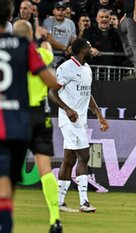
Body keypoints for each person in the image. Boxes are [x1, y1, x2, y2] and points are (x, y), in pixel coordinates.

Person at [0, 1, 61, 232]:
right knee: (45, 169)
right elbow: (47, 54)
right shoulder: (37, 54)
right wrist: (42, 37)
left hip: (16, 115)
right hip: (41, 114)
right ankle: (55, 218)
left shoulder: (13, 54)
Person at [49, 38, 109, 213]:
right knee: (84, 155)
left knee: (69, 159)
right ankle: (84, 202)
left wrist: (98, 115)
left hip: (80, 120)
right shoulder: (66, 68)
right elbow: (52, 92)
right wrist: (67, 109)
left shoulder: (86, 69)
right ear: (83, 50)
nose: (92, 50)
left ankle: (59, 201)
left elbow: (87, 94)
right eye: (90, 47)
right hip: (69, 120)